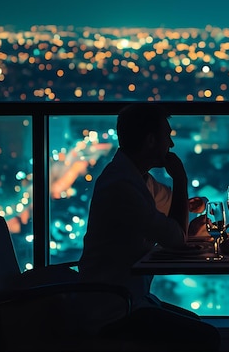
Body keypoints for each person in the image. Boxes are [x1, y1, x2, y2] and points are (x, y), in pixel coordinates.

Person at [78, 103, 220, 351]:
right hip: (113, 311)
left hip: (131, 299)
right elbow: (175, 238)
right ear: (151, 140)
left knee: (195, 324)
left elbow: (172, 207)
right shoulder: (121, 186)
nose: (172, 145)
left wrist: (189, 208)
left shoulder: (135, 177)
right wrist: (181, 179)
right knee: (206, 337)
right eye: (168, 136)